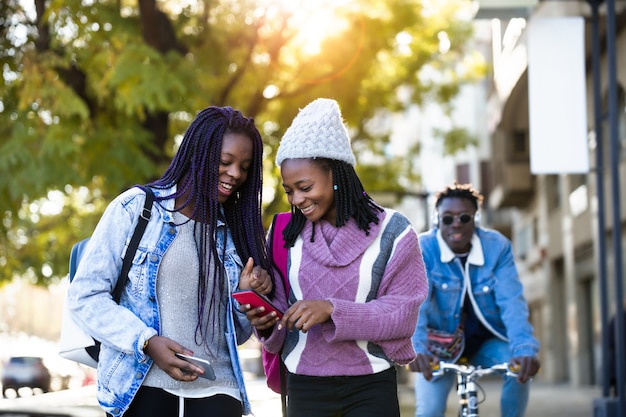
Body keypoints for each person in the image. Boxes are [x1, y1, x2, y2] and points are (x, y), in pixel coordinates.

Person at [67, 106, 273, 417]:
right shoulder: (136, 209)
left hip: (219, 393)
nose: (235, 174)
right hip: (143, 390)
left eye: (244, 167)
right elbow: (85, 296)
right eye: (225, 162)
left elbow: (237, 334)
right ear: (198, 154)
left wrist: (247, 298)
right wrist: (147, 342)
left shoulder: (235, 233)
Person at [240, 98, 429, 417]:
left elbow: (402, 313)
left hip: (371, 386)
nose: (297, 199)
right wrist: (263, 303)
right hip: (303, 385)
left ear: (336, 173)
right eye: (289, 191)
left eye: (305, 186)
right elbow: (284, 314)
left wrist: (330, 309)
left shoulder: (394, 232)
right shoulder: (284, 231)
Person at [409, 182, 541, 417]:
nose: (456, 223)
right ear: (438, 220)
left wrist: (524, 349)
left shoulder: (496, 247)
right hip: (438, 347)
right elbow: (419, 302)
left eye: (464, 217)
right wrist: (417, 348)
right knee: (429, 410)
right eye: (447, 218)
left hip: (485, 341)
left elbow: (512, 301)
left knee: (518, 370)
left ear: (475, 219)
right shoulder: (423, 248)